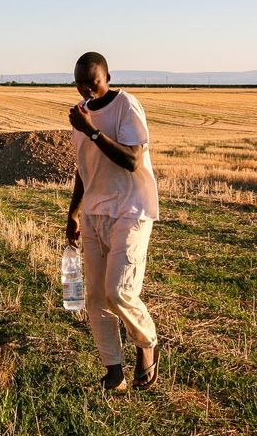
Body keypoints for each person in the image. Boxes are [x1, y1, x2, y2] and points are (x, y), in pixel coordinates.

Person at [65, 51, 160, 391]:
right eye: (79, 84)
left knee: (118, 290)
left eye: (92, 82)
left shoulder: (126, 106)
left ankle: (147, 342)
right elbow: (83, 168)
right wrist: (74, 213)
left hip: (130, 210)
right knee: (95, 297)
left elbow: (133, 160)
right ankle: (114, 371)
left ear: (107, 77)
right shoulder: (81, 116)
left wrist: (91, 132)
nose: (86, 90)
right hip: (94, 212)